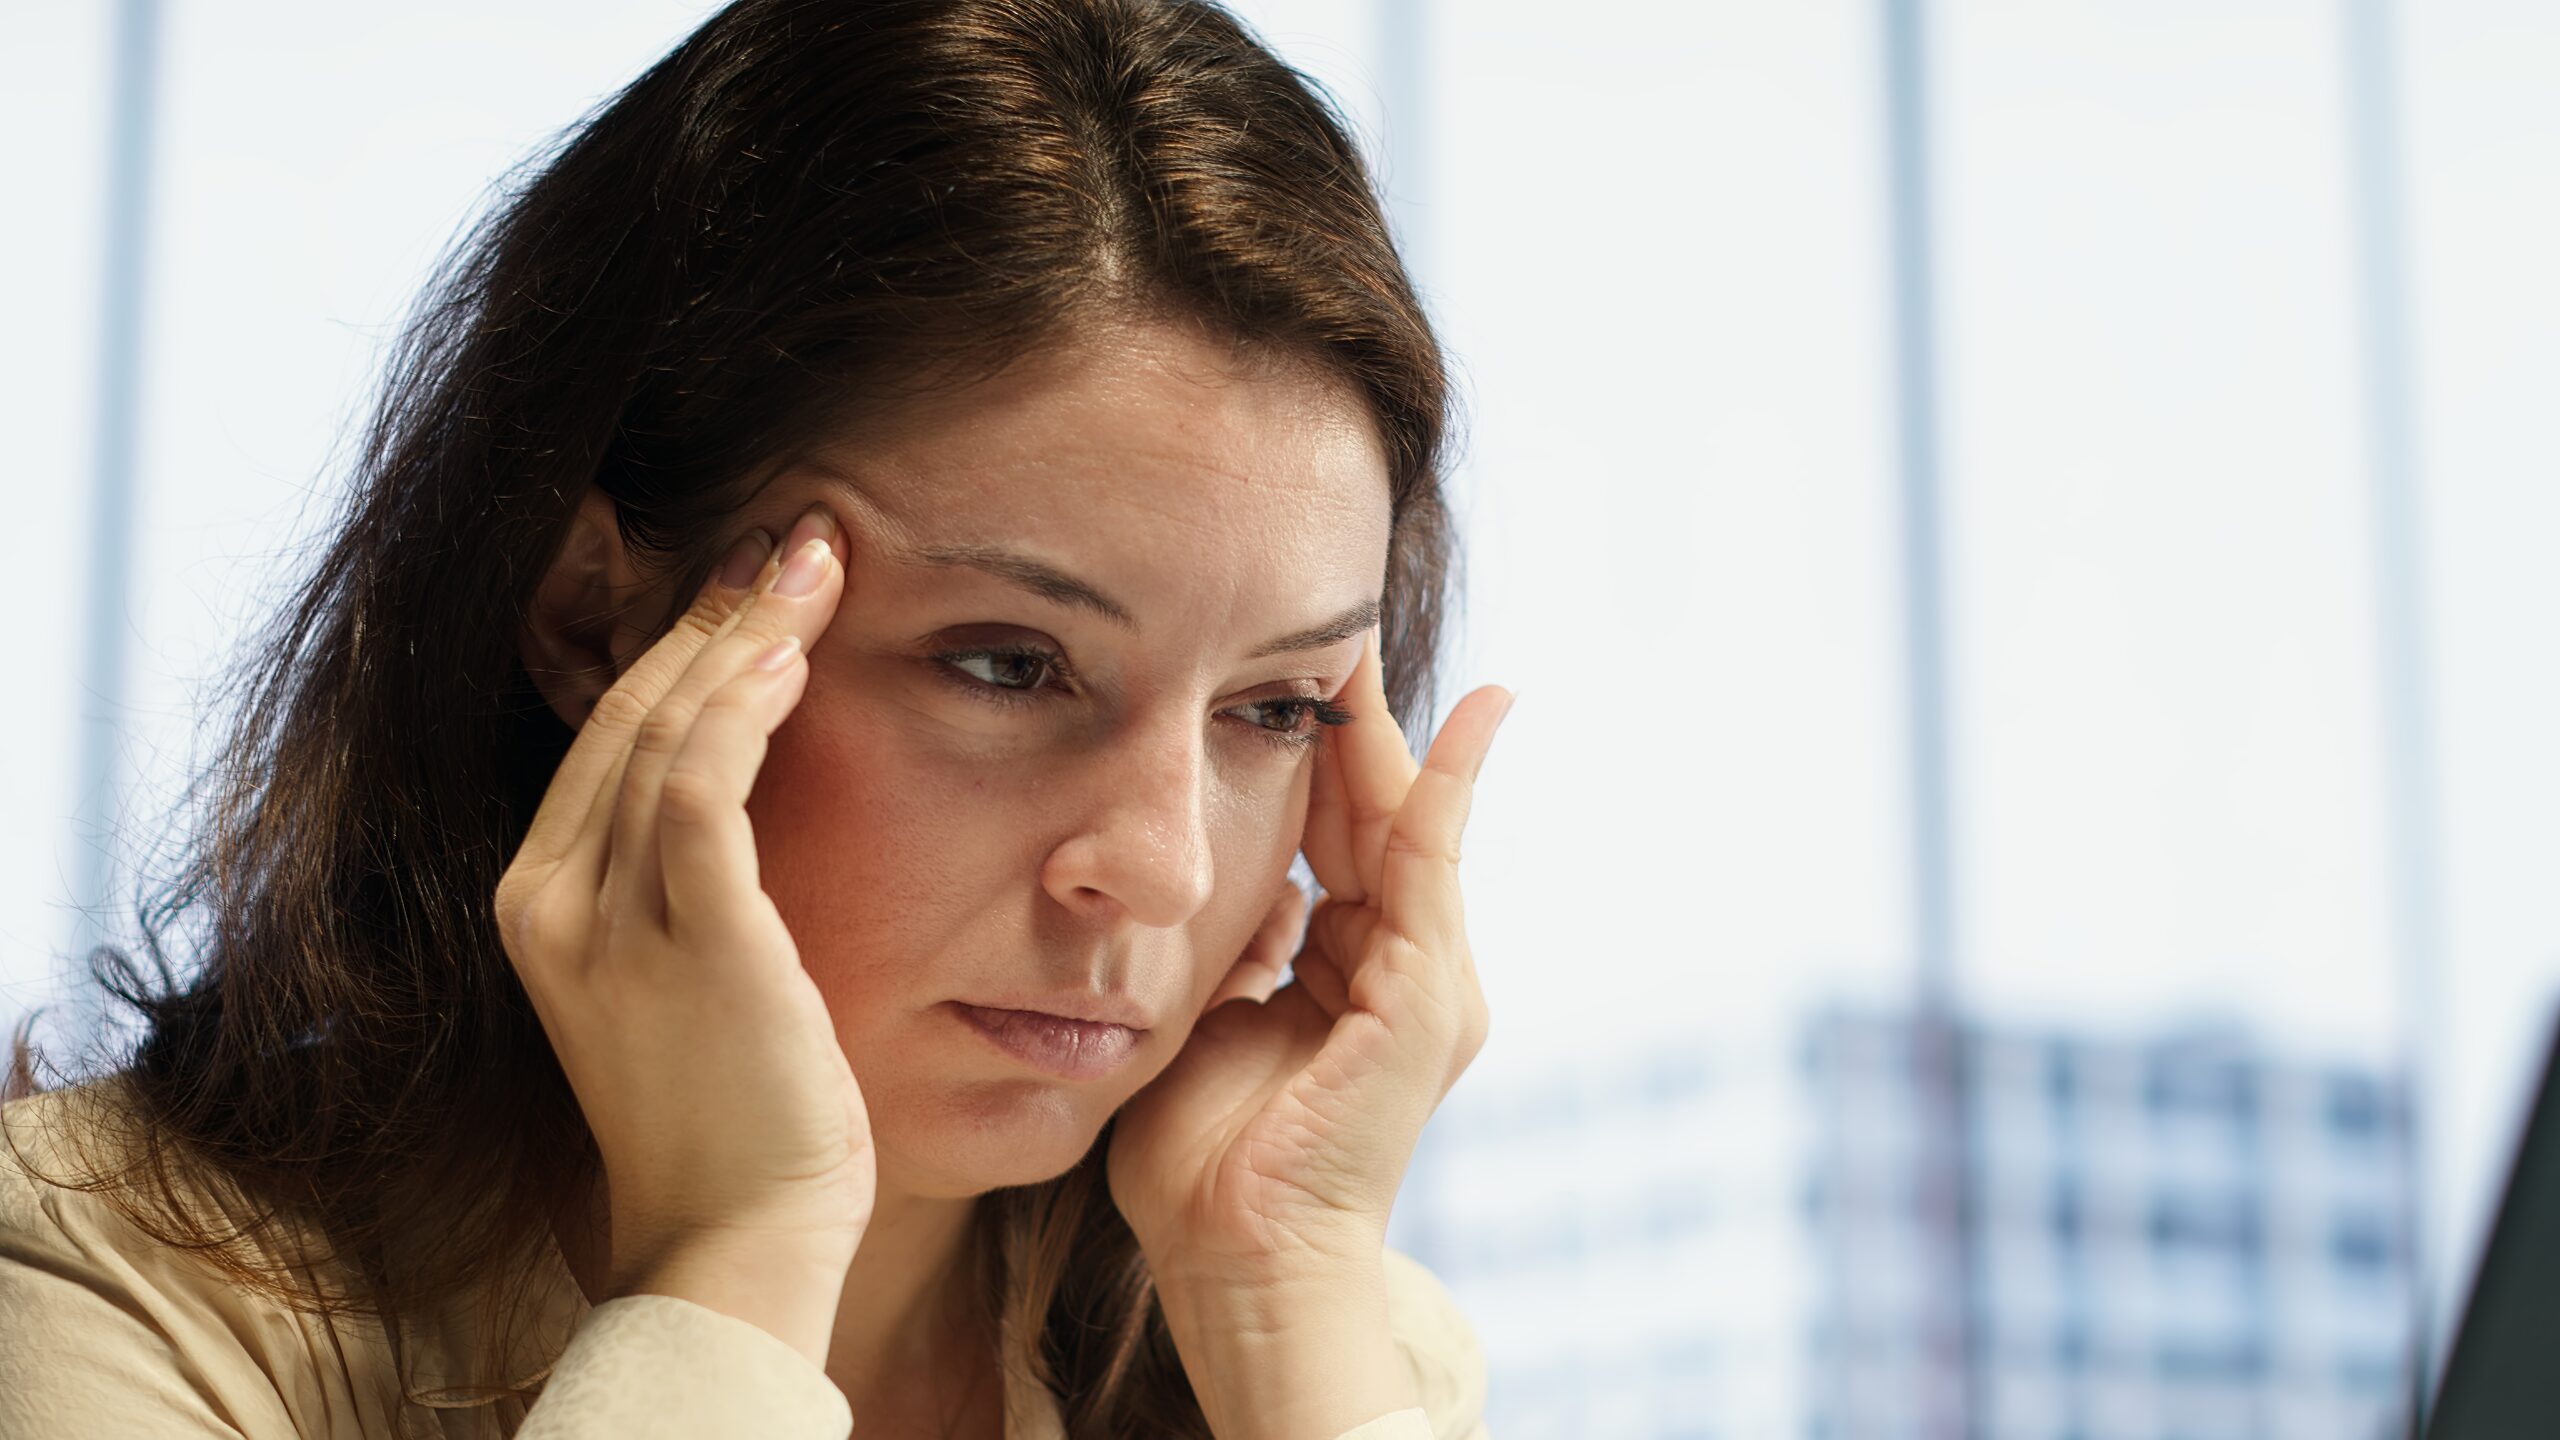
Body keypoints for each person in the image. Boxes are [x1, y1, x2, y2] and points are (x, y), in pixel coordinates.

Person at [0, 0, 1513, 1436]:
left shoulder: (1336, 1348)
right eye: (1005, 663)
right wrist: (734, 1260)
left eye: (1274, 706)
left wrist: (1274, 1307)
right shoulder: (99, 1297)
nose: (1168, 869)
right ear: (596, 619)